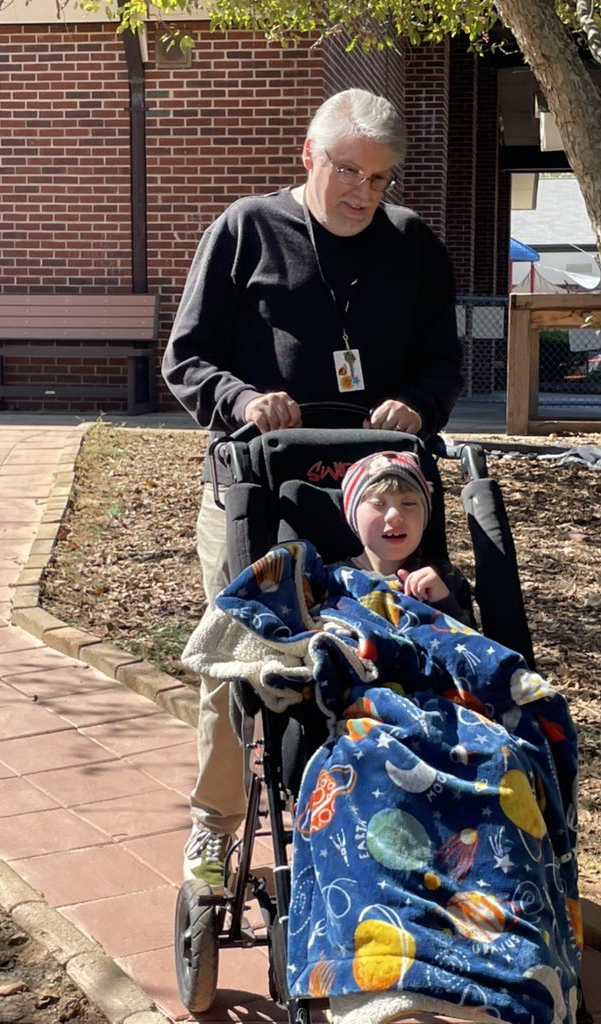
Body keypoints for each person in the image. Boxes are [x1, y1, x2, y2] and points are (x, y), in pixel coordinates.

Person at [163, 87, 462, 886]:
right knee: (243, 657)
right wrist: (241, 401)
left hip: (376, 499)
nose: (364, 192)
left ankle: (383, 814)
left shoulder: (413, 246)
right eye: (349, 171)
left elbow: (443, 363)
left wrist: (419, 404)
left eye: (380, 177)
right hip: (257, 494)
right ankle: (215, 826)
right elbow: (185, 358)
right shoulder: (246, 229)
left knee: (388, 647)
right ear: (308, 154)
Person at [340, 449, 473, 625]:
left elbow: (474, 641)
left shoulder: (447, 579)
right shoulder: (329, 580)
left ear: (425, 517)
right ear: (352, 516)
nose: (394, 516)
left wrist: (443, 603)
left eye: (409, 503)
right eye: (378, 503)